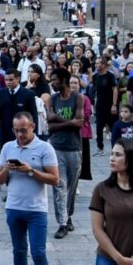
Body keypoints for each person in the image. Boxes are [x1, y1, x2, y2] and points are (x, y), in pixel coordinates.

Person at [0, 112, 60, 265]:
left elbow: (54, 179)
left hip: (36, 210)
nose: (20, 135)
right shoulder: (8, 147)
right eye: (16, 130)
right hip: (14, 207)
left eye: (24, 130)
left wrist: (30, 171)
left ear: (33, 126)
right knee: (18, 251)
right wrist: (7, 168)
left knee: (38, 253)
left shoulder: (44, 148)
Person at [47, 67, 84, 239]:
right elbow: (49, 123)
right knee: (59, 185)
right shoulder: (52, 98)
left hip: (74, 147)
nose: (52, 83)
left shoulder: (78, 98)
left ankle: (68, 216)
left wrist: (58, 120)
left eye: (54, 79)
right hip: (56, 147)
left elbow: (79, 123)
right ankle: (61, 222)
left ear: (63, 80)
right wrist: (68, 122)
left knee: (71, 186)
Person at [0, 68, 38, 146]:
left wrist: (34, 133)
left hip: (23, 133)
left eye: (11, 80)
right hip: (5, 133)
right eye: (6, 80)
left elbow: (33, 116)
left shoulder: (28, 94)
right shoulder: (0, 94)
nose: (8, 82)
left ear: (18, 79)